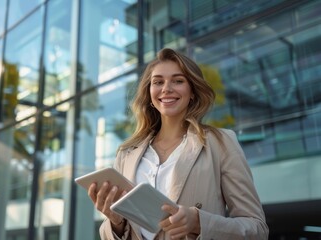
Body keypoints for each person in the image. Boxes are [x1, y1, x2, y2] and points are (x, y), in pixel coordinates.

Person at [87, 48, 269, 239]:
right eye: (158, 82)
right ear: (149, 94)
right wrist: (116, 223)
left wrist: (199, 222)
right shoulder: (126, 154)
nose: (166, 88)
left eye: (178, 81)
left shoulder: (220, 143)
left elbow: (256, 229)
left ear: (192, 92)